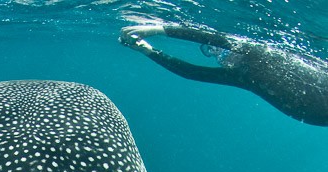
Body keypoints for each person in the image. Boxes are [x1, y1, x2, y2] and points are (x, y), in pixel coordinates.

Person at [120, 22, 328, 125]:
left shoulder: (257, 50)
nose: (219, 55)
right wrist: (147, 50)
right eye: (210, 53)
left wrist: (158, 29)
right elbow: (191, 73)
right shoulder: (241, 75)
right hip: (312, 114)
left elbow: (212, 37)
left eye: (214, 49)